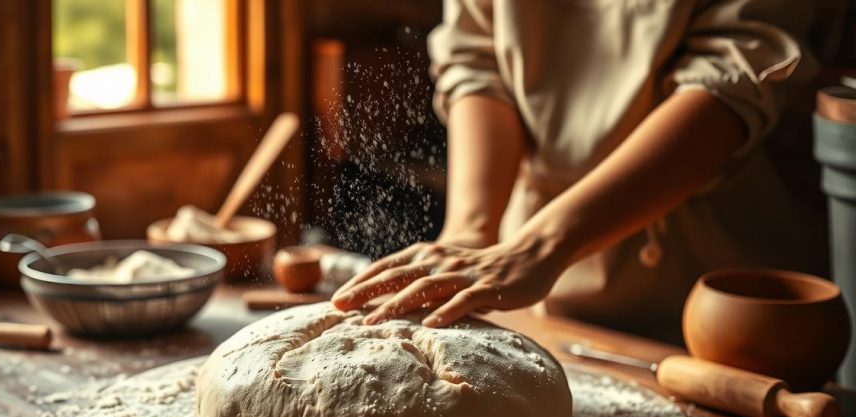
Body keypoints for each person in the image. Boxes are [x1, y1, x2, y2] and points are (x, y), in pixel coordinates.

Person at [331, 0, 823, 341]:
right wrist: (472, 229)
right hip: (530, 282)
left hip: (708, 278)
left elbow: (731, 81)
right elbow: (479, 61)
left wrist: (541, 245)